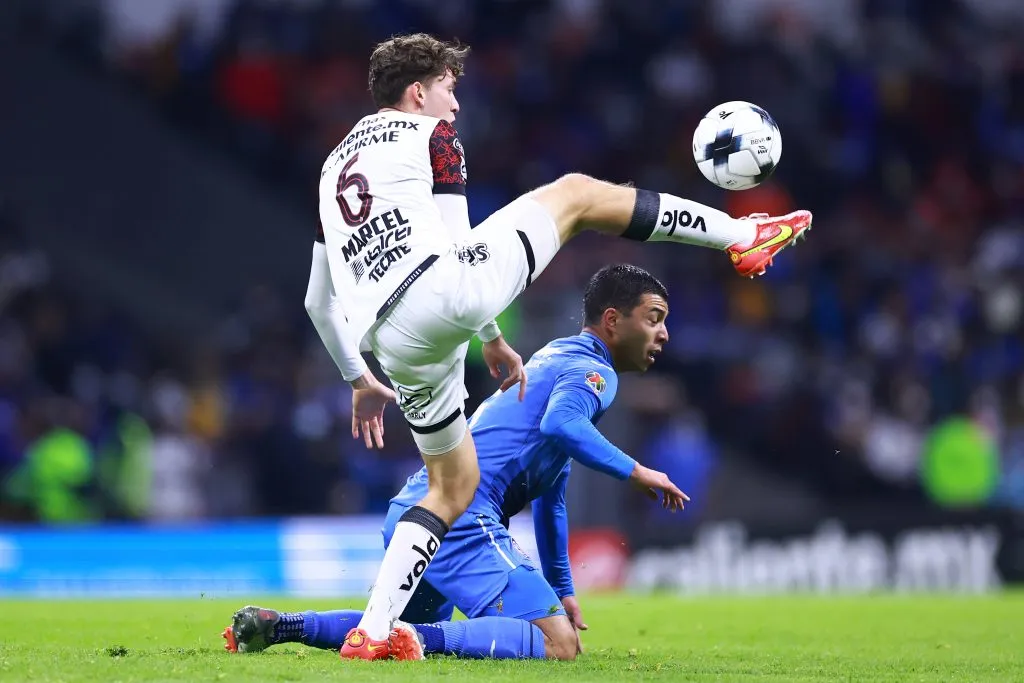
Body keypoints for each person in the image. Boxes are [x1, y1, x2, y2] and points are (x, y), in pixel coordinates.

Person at [303, 33, 812, 658]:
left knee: (449, 488)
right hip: (444, 293)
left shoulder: (332, 169)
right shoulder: (431, 137)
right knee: (575, 194)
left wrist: (358, 379)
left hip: (390, 341)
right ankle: (740, 233)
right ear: (418, 92)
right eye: (449, 88)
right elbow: (458, 250)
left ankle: (373, 634)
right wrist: (487, 331)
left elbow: (316, 302)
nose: (455, 105)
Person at [229, 264, 687, 660]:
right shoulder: (596, 373)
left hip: (418, 510)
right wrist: (638, 471)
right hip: (464, 514)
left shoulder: (553, 359)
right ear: (612, 320)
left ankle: (282, 625)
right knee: (556, 643)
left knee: (379, 619)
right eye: (654, 319)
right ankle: (407, 638)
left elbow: (552, 501)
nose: (663, 333)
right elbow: (561, 426)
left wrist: (563, 589)